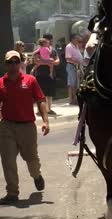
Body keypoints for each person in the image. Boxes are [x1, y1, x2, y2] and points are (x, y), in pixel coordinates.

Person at [0, 51, 49, 204]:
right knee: (8, 160)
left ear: (20, 63)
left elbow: (41, 100)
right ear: (6, 64)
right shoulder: (1, 83)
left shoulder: (30, 80)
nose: (13, 65)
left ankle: (36, 175)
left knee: (31, 158)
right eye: (10, 62)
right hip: (7, 126)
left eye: (16, 62)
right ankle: (12, 193)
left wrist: (45, 121)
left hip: (27, 126)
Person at [33, 34, 60, 116]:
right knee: (41, 92)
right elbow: (36, 61)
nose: (50, 42)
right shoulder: (39, 50)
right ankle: (39, 110)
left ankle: (49, 109)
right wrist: (48, 62)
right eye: (49, 40)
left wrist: (51, 62)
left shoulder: (53, 50)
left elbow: (57, 61)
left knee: (50, 92)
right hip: (41, 74)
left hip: (50, 74)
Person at [65, 34, 84, 105]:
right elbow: (68, 58)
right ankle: (74, 99)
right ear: (73, 39)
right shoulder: (69, 46)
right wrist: (77, 62)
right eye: (77, 39)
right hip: (72, 66)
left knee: (74, 83)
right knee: (73, 83)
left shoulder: (76, 46)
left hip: (76, 66)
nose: (78, 40)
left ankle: (72, 99)